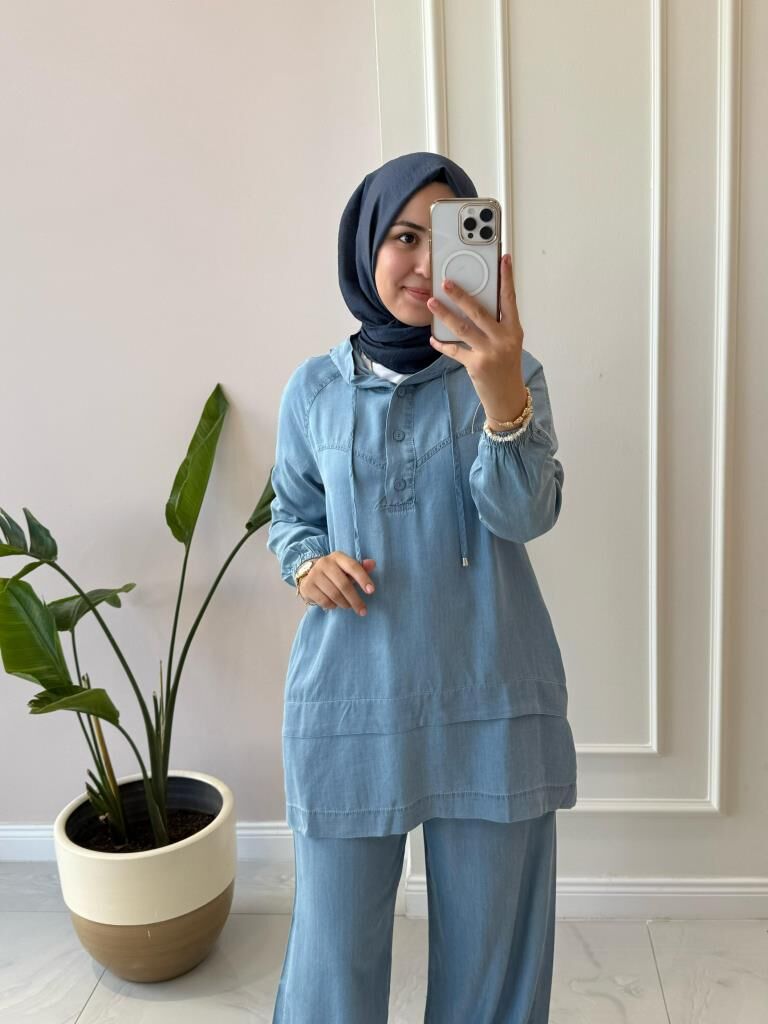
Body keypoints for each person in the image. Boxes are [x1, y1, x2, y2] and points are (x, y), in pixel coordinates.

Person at [267, 151, 577, 1023]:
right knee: (331, 965)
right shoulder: (315, 389)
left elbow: (524, 515)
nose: (425, 263)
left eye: (446, 238)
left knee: (492, 968)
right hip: (350, 701)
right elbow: (291, 516)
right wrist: (308, 564)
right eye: (405, 237)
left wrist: (500, 392)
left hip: (491, 693)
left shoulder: (512, 372)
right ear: (365, 244)